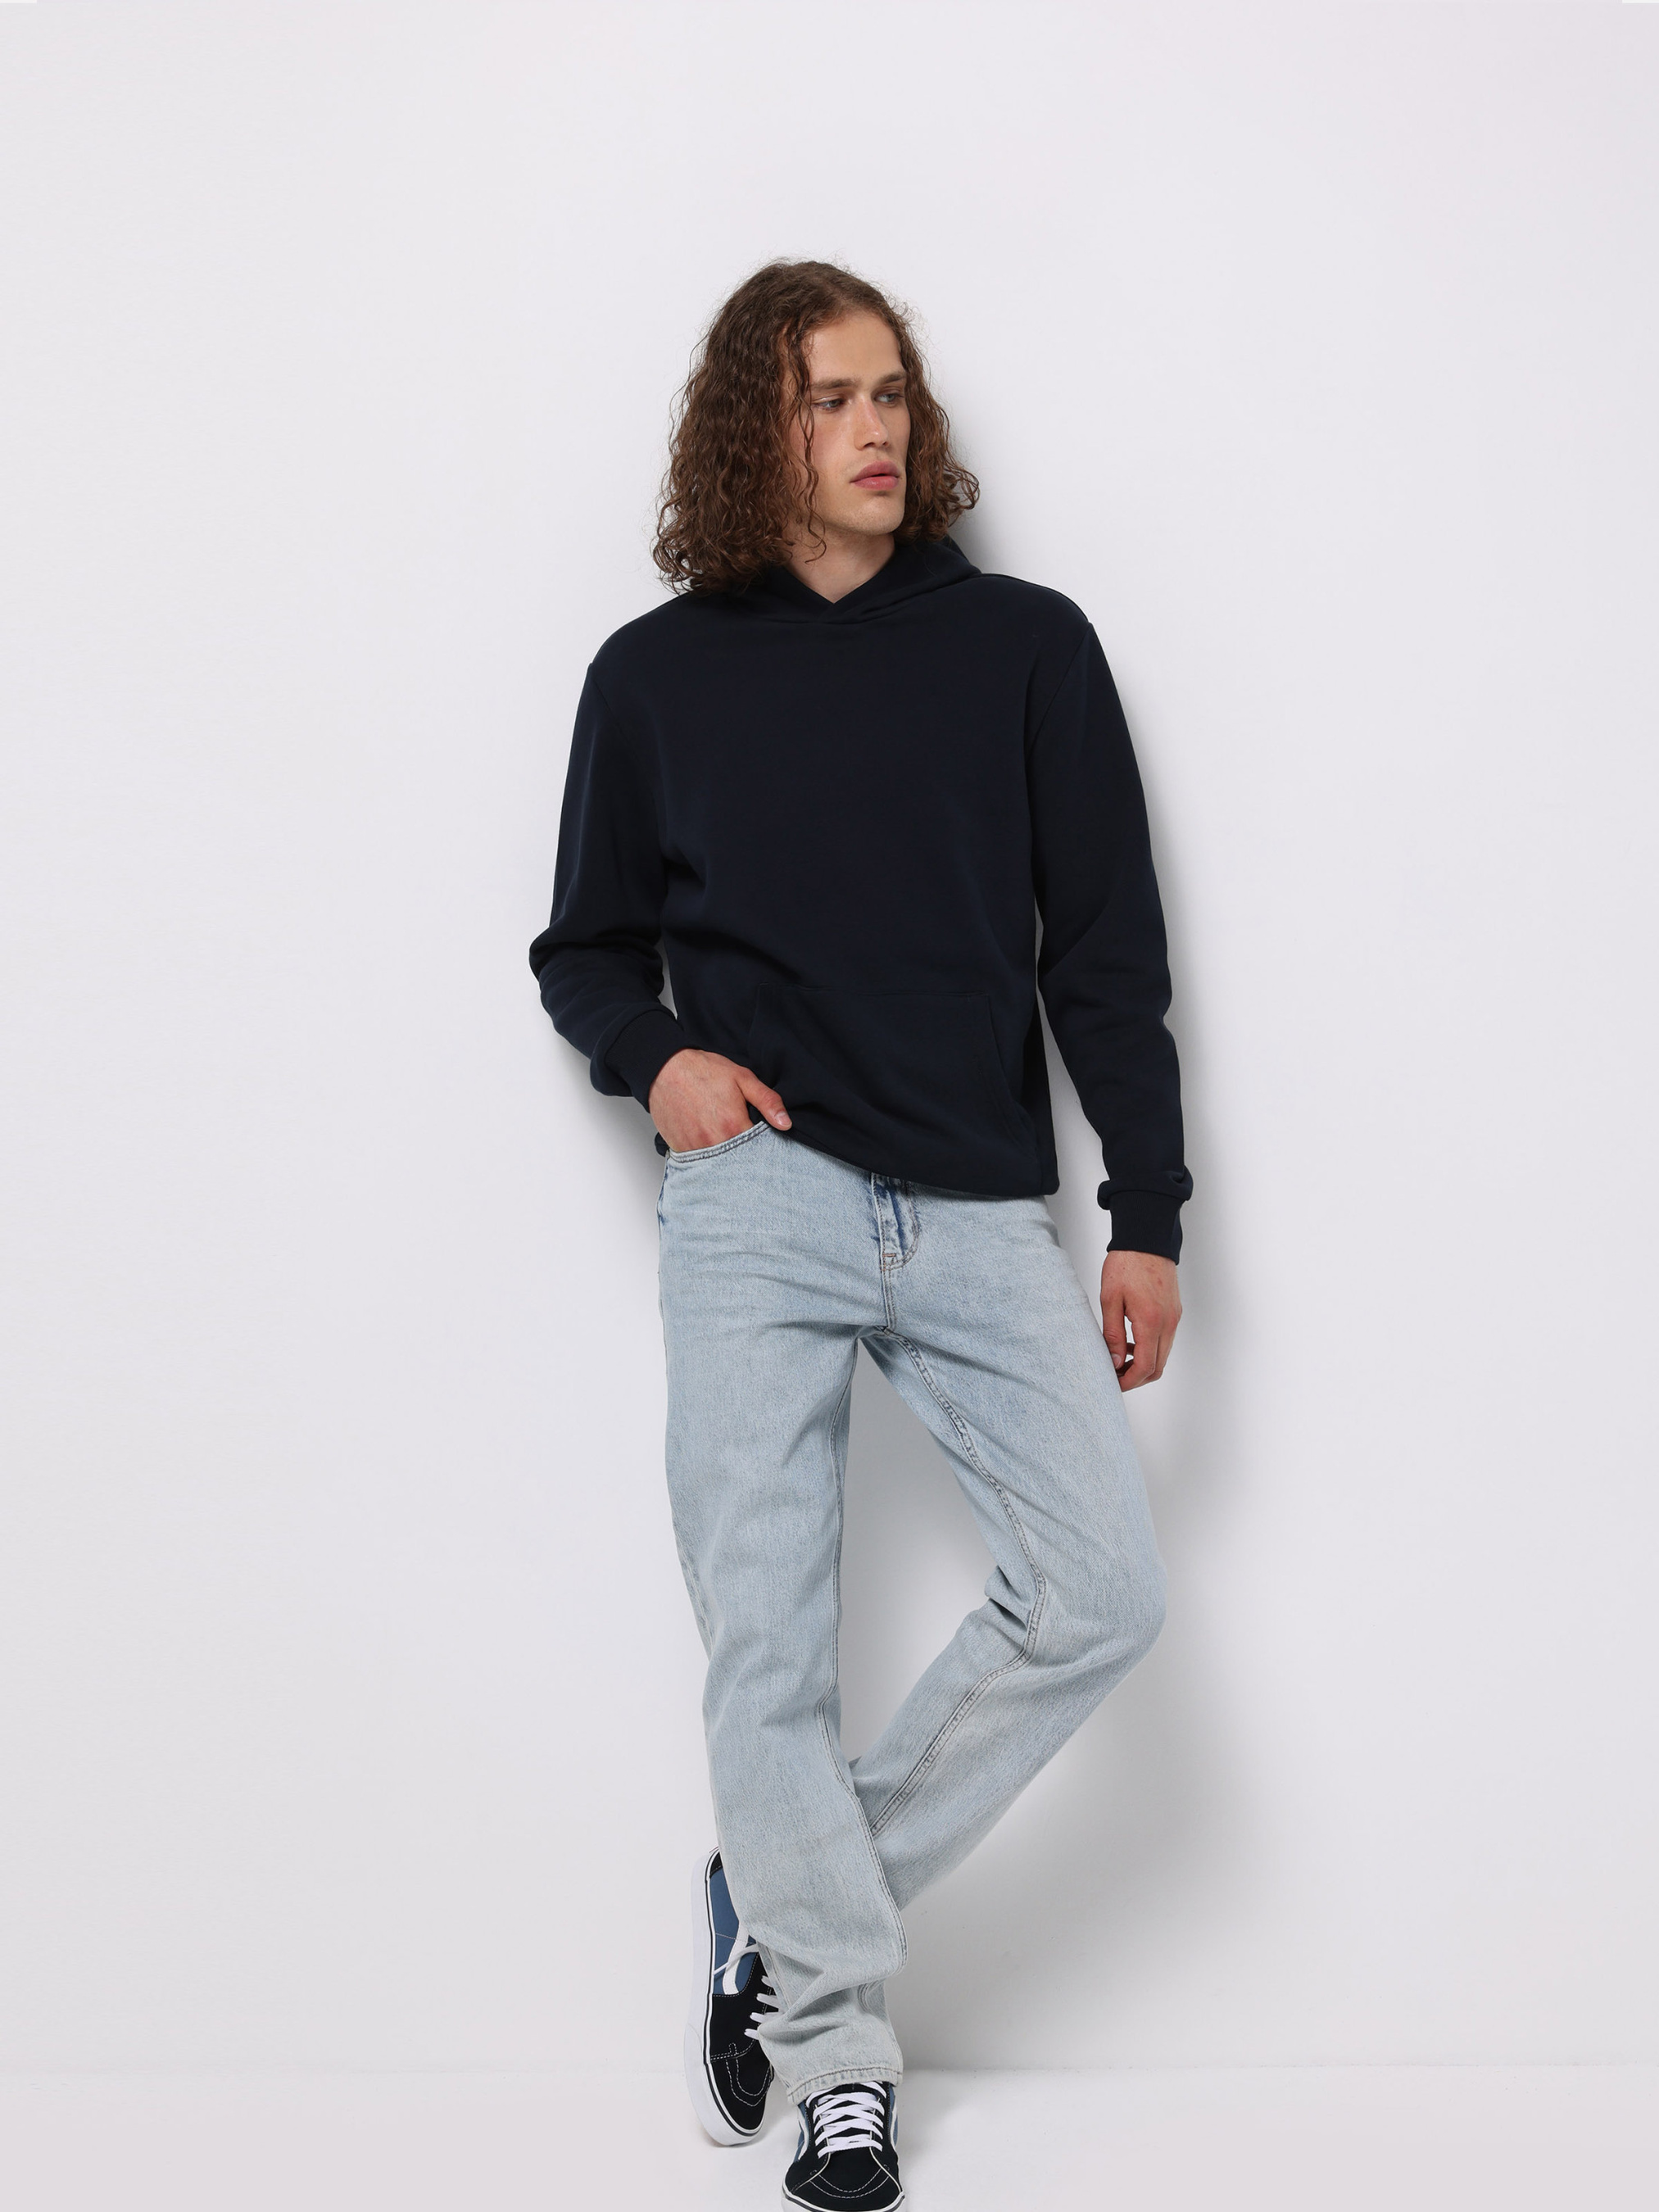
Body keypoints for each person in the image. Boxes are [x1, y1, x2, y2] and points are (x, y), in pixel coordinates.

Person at [529, 260, 1190, 2212]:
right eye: (827, 398)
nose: (874, 428)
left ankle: (783, 1898)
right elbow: (583, 952)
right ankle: (837, 2066)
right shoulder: (653, 677)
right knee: (767, 1638)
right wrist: (660, 1064)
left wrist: (1144, 1211)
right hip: (758, 1195)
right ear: (758, 428)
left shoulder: (1025, 650)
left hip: (976, 1196)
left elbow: (1104, 957)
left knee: (1101, 1592)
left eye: (888, 391)